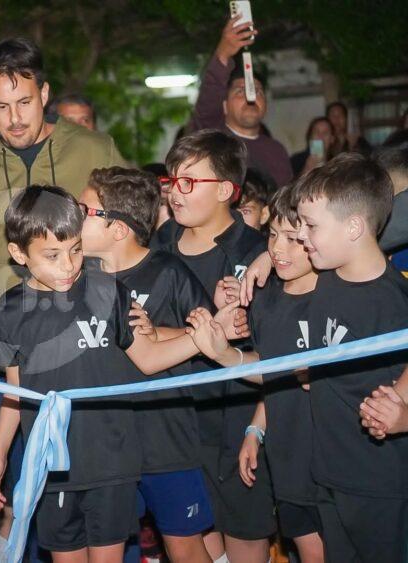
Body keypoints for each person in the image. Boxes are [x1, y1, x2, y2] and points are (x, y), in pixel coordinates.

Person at [0, 185, 210, 563]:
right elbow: (15, 392)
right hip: (54, 468)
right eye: (52, 255)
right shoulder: (9, 314)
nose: (68, 265)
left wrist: (202, 340)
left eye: (75, 249)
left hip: (113, 464)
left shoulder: (109, 293)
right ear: (18, 253)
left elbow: (149, 358)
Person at [78, 167, 250, 563]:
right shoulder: (80, 280)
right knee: (105, 548)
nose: (74, 217)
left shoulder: (167, 272)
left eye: (84, 210)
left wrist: (157, 332)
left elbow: (213, 337)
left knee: (184, 546)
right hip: (106, 443)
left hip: (164, 436)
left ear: (117, 230)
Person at [150, 129, 273, 563]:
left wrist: (242, 329)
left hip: (237, 421)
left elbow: (280, 349)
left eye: (189, 182)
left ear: (225, 189)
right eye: (171, 182)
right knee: (187, 543)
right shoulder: (157, 249)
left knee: (245, 541)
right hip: (172, 423)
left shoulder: (259, 254)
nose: (175, 193)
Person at [188, 184, 325, 563]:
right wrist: (256, 428)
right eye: (273, 236)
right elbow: (272, 369)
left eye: (293, 239)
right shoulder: (269, 298)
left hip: (334, 454)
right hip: (288, 452)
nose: (279, 249)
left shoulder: (337, 296)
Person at [288, 153, 408, 562]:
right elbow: (278, 244)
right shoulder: (326, 277)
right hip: (331, 474)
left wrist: (403, 411)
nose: (301, 236)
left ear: (354, 227)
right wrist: (261, 260)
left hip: (382, 483)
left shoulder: (394, 303)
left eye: (311, 226)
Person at [0, 37, 126, 305]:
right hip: (8, 336)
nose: (15, 119)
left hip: (96, 326)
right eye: (1, 107)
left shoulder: (97, 151)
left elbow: (134, 239)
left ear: (44, 94)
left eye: (24, 102)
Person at [190, 15, 292, 188]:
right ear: (224, 105)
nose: (251, 96)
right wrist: (223, 53)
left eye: (257, 91)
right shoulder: (212, 141)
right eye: (240, 91)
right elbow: (209, 99)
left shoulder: (277, 151)